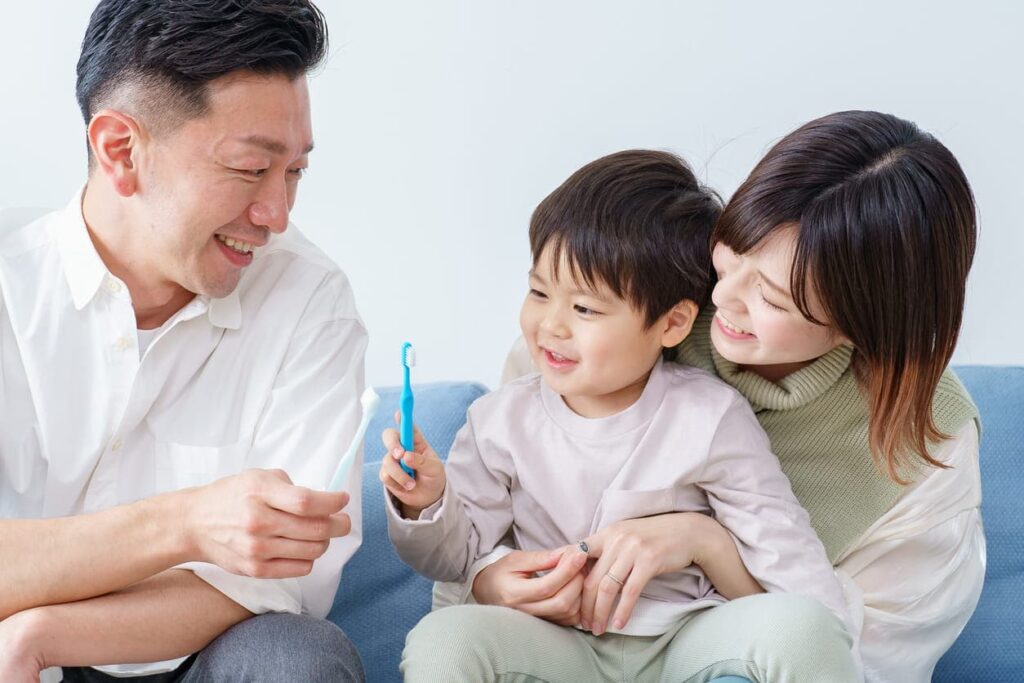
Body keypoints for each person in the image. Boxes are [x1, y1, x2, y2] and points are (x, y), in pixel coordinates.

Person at [488, 111, 983, 682]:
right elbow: (491, 503)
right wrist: (496, 573)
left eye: (772, 299)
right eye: (731, 252)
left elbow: (854, 660)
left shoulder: (927, 445)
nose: (721, 296)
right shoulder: (640, 304)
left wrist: (706, 543)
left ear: (866, 324)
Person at [380, 150, 860, 682]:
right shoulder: (500, 419)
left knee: (803, 624)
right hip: (555, 644)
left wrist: (811, 624)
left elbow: (794, 569)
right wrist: (427, 503)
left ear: (674, 323)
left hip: (686, 640)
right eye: (539, 292)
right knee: (443, 641)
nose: (550, 326)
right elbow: (455, 558)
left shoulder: (710, 415)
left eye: (585, 308)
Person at [0, 1, 367, 681]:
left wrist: (48, 631)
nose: (277, 215)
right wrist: (188, 521)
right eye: (252, 168)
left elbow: (288, 580)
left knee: (296, 657)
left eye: (295, 172)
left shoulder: (311, 301)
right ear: (121, 151)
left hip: (199, 655)